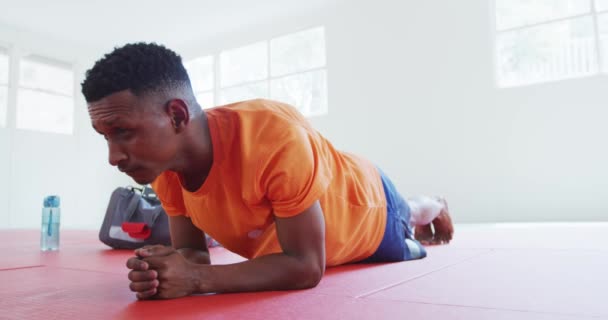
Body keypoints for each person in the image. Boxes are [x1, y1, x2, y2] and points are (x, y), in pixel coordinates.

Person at [81, 42, 454, 300]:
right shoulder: (164, 169)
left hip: (370, 206)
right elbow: (192, 255)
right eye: (105, 137)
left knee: (412, 216)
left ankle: (434, 204)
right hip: (324, 230)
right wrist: (164, 272)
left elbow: (306, 267)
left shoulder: (272, 136)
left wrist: (194, 280)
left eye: (123, 132)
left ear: (176, 115)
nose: (114, 157)